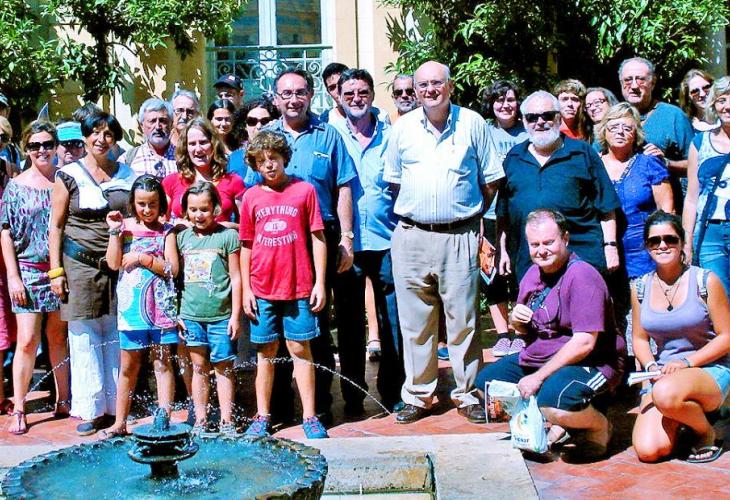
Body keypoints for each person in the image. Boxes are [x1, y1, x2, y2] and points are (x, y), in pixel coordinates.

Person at [384, 60, 503, 424]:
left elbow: (491, 180)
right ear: (415, 90)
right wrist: (422, 211)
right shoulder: (402, 129)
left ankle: (468, 393)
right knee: (415, 323)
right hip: (412, 236)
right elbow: (393, 182)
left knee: (464, 320)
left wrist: (465, 214)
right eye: (422, 85)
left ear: (450, 86)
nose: (430, 90)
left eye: (437, 83)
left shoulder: (473, 123)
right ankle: (419, 395)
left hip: (460, 235)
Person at [478, 209, 625, 458]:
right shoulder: (532, 275)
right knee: (488, 387)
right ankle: (557, 420)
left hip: (592, 361)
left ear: (565, 239)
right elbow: (529, 332)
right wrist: (517, 322)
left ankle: (598, 427)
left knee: (553, 402)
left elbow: (585, 343)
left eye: (548, 242)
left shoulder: (582, 276)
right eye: (535, 245)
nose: (542, 250)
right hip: (542, 356)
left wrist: (538, 377)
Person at [261, 67, 357, 425]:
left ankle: (318, 405)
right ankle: (280, 406)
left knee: (315, 320)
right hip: (276, 240)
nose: (293, 100)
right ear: (276, 98)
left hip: (319, 237)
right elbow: (252, 193)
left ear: (310, 96)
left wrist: (346, 238)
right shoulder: (266, 137)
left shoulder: (328, 135)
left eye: (300, 92)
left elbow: (344, 186)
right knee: (278, 323)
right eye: (286, 93)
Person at [49, 112, 135, 436]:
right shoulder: (68, 175)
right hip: (79, 265)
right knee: (84, 335)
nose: (101, 139)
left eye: (108, 134)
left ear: (115, 139)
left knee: (115, 331)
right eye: (95, 133)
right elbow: (56, 226)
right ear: (85, 137)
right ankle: (90, 408)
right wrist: (56, 271)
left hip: (119, 264)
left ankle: (116, 407)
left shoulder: (127, 174)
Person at [240, 131, 328, 438]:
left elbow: (318, 238)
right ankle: (263, 415)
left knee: (299, 348)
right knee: (266, 352)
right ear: (255, 164)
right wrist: (247, 289)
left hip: (298, 286)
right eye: (262, 161)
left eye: (274, 158)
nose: (269, 165)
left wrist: (319, 282)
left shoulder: (304, 191)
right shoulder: (251, 197)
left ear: (284, 158)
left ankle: (310, 416)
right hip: (262, 288)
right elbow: (246, 245)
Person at [330, 68, 405, 412]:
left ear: (373, 95)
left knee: (393, 321)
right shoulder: (331, 136)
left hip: (388, 239)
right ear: (339, 98)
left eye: (362, 92)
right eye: (349, 94)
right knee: (349, 323)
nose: (356, 99)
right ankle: (353, 395)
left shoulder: (392, 135)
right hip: (347, 245)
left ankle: (393, 391)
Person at [631, 211, 730, 463]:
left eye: (670, 239)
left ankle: (706, 432)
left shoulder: (705, 281)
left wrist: (686, 363)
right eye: (654, 241)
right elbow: (640, 339)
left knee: (665, 394)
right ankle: (683, 414)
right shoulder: (640, 287)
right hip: (664, 375)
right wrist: (650, 366)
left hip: (708, 369)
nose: (662, 245)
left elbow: (727, 336)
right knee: (649, 450)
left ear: (682, 243)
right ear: (647, 246)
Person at [497, 90, 621, 282]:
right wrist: (502, 250)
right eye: (532, 117)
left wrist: (611, 247)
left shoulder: (583, 153)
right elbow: (503, 214)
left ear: (558, 117)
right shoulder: (514, 158)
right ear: (524, 121)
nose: (540, 122)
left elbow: (606, 207)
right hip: (531, 265)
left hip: (581, 259)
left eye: (547, 115)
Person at [1, 121, 70, 434]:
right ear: (26, 148)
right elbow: (5, 231)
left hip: (59, 269)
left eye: (47, 144)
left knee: (57, 337)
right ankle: (19, 405)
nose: (42, 150)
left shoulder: (64, 181)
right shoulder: (16, 186)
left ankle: (63, 399)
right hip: (28, 269)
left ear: (55, 146)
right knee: (28, 340)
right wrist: (13, 277)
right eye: (34, 145)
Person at [102, 175, 179, 437]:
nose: (147, 210)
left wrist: (143, 258)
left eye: (152, 204)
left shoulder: (167, 231)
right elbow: (113, 263)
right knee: (128, 366)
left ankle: (164, 419)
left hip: (161, 310)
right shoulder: (124, 228)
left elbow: (172, 269)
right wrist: (114, 232)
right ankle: (120, 421)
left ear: (161, 204)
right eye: (141, 204)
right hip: (131, 310)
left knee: (162, 363)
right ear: (132, 204)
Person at [597, 102, 674, 351]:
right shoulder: (592, 164)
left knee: (642, 321)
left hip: (642, 256)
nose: (620, 132)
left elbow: (666, 212)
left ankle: (645, 369)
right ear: (604, 131)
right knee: (607, 318)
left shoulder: (649, 164)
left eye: (627, 128)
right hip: (601, 253)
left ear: (636, 134)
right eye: (614, 126)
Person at [177, 181, 241, 435]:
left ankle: (227, 420)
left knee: (223, 367)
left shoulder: (227, 237)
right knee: (199, 367)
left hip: (221, 316)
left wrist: (235, 316)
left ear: (215, 208)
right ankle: (201, 419)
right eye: (193, 209)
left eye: (204, 209)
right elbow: (175, 278)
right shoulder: (182, 238)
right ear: (186, 210)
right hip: (191, 315)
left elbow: (236, 278)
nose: (198, 215)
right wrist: (177, 313)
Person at [481, 80, 529, 357]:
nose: (505, 105)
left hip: (521, 216)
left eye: (510, 99)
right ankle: (502, 334)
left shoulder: (528, 131)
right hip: (488, 215)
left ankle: (521, 331)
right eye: (499, 100)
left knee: (522, 273)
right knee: (492, 275)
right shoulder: (484, 132)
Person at [618, 57, 693, 205]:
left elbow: (697, 164)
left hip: (664, 208)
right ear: (621, 83)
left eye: (640, 79)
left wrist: (667, 163)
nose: (634, 85)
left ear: (652, 82)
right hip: (621, 211)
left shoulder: (673, 116)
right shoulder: (613, 118)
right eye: (628, 80)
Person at [683, 76, 730, 296]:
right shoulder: (700, 143)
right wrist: (687, 242)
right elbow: (692, 198)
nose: (727, 106)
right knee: (719, 299)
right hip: (711, 233)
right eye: (721, 100)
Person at [162, 118, 245, 227]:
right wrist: (177, 225)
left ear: (213, 144)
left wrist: (223, 227)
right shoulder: (171, 181)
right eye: (192, 144)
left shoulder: (233, 181)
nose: (198, 149)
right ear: (185, 148)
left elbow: (246, 226)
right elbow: (160, 222)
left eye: (203, 142)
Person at [228, 97, 280, 181]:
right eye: (252, 121)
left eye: (265, 121)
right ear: (245, 125)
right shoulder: (234, 159)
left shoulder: (281, 157)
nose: (259, 126)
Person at [123, 98, 176, 179]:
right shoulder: (128, 159)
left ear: (171, 124)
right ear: (142, 126)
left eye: (162, 121)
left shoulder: (184, 157)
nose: (158, 127)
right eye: (152, 121)